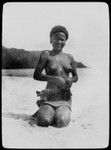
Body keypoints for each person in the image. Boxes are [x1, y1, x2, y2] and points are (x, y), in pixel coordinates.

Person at [30, 25, 78, 128]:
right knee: (45, 121)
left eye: (62, 39)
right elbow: (36, 75)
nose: (59, 42)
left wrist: (71, 79)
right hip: (49, 96)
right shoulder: (46, 54)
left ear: (65, 41)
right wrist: (55, 78)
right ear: (50, 39)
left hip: (64, 98)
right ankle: (43, 108)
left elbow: (76, 77)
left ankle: (48, 110)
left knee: (61, 122)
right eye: (56, 38)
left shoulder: (70, 57)